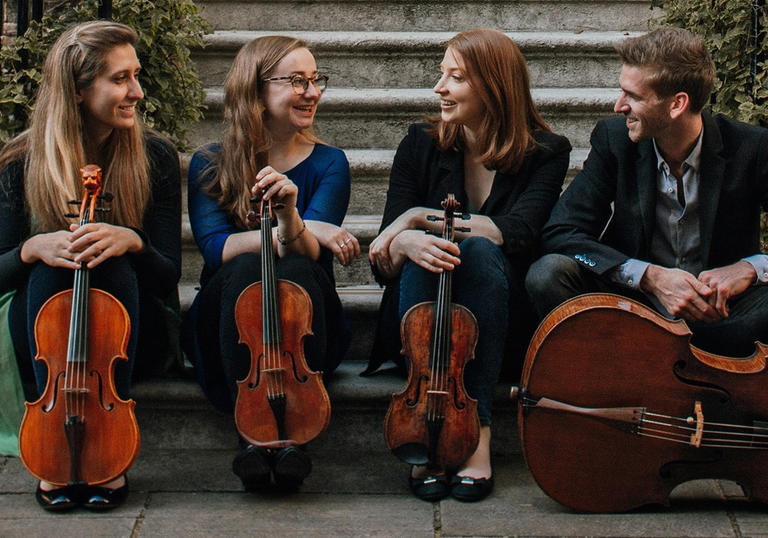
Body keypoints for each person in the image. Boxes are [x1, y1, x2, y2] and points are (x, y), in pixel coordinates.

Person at [368, 28, 571, 502]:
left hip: (497, 315)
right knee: (425, 252)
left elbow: (516, 231)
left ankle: (475, 431)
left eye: (455, 77)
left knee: (474, 247)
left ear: (493, 87)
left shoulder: (546, 151)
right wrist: (408, 243)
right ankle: (425, 422)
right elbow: (384, 261)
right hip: (420, 312)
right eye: (441, 74)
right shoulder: (420, 143)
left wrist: (415, 220)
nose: (439, 87)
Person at [0, 21, 181, 511]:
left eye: (135, 76)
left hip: (127, 342)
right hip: (43, 343)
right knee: (54, 267)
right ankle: (52, 438)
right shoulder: (22, 161)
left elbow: (168, 280)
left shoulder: (156, 157)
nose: (137, 92)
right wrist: (31, 249)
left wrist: (134, 242)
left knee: (110, 265)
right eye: (120, 79)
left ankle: (110, 447)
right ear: (79, 91)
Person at [526, 28, 768, 357]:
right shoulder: (614, 140)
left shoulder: (750, 148)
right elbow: (560, 232)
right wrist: (649, 277)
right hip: (632, 310)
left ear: (677, 104)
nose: (618, 105)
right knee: (547, 273)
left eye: (633, 96)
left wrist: (750, 268)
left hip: (718, 315)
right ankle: (609, 382)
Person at [184, 35, 357, 493]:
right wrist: (302, 228)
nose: (313, 92)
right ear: (256, 91)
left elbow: (310, 255)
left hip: (307, 328)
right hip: (228, 325)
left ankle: (294, 433)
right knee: (244, 270)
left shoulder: (330, 163)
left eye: (316, 80)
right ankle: (253, 432)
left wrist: (288, 217)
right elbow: (216, 250)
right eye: (297, 81)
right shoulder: (209, 163)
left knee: (297, 271)